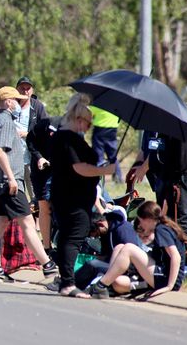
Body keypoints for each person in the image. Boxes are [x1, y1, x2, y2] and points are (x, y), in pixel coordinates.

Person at [0, 86, 58, 282]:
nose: (19, 104)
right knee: (27, 223)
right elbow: (0, 151)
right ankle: (48, 266)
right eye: (16, 101)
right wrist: (10, 178)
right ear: (9, 102)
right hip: (10, 183)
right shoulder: (6, 121)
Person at [49, 93, 115, 298]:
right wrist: (104, 171)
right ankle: (68, 283)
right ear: (79, 120)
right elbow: (79, 168)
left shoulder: (66, 137)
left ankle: (66, 281)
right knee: (74, 235)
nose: (90, 126)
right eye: (88, 122)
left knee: (71, 235)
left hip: (70, 196)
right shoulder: (68, 139)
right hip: (71, 198)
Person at [90, 201, 187, 298]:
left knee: (129, 248)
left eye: (141, 221)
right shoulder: (162, 227)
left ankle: (100, 286)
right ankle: (108, 284)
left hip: (166, 278)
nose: (140, 225)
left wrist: (169, 286)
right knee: (119, 254)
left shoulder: (161, 229)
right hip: (159, 274)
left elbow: (176, 257)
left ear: (148, 219)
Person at [129, 132, 187, 247]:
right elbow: (147, 147)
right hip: (162, 173)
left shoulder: (176, 122)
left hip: (178, 175)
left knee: (179, 216)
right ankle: (166, 250)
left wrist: (144, 167)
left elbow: (177, 154)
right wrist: (137, 164)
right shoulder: (154, 119)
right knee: (164, 215)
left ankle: (184, 255)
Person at [26, 115, 62, 255]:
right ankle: (47, 247)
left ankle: (63, 246)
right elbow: (30, 141)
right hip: (41, 172)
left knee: (60, 208)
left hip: (61, 172)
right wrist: (39, 158)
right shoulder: (43, 125)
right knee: (44, 207)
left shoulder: (73, 130)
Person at [15, 76, 48, 203]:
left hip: (31, 158)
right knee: (17, 196)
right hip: (14, 158)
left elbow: (45, 131)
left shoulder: (38, 107)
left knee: (36, 196)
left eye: (28, 88)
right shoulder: (11, 106)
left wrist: (27, 134)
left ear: (32, 90)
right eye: (22, 88)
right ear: (16, 90)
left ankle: (38, 221)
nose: (25, 91)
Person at [90, 106, 123, 182]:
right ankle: (118, 177)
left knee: (98, 155)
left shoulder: (100, 104)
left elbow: (91, 112)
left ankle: (98, 177)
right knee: (113, 156)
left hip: (99, 129)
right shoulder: (116, 105)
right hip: (112, 130)